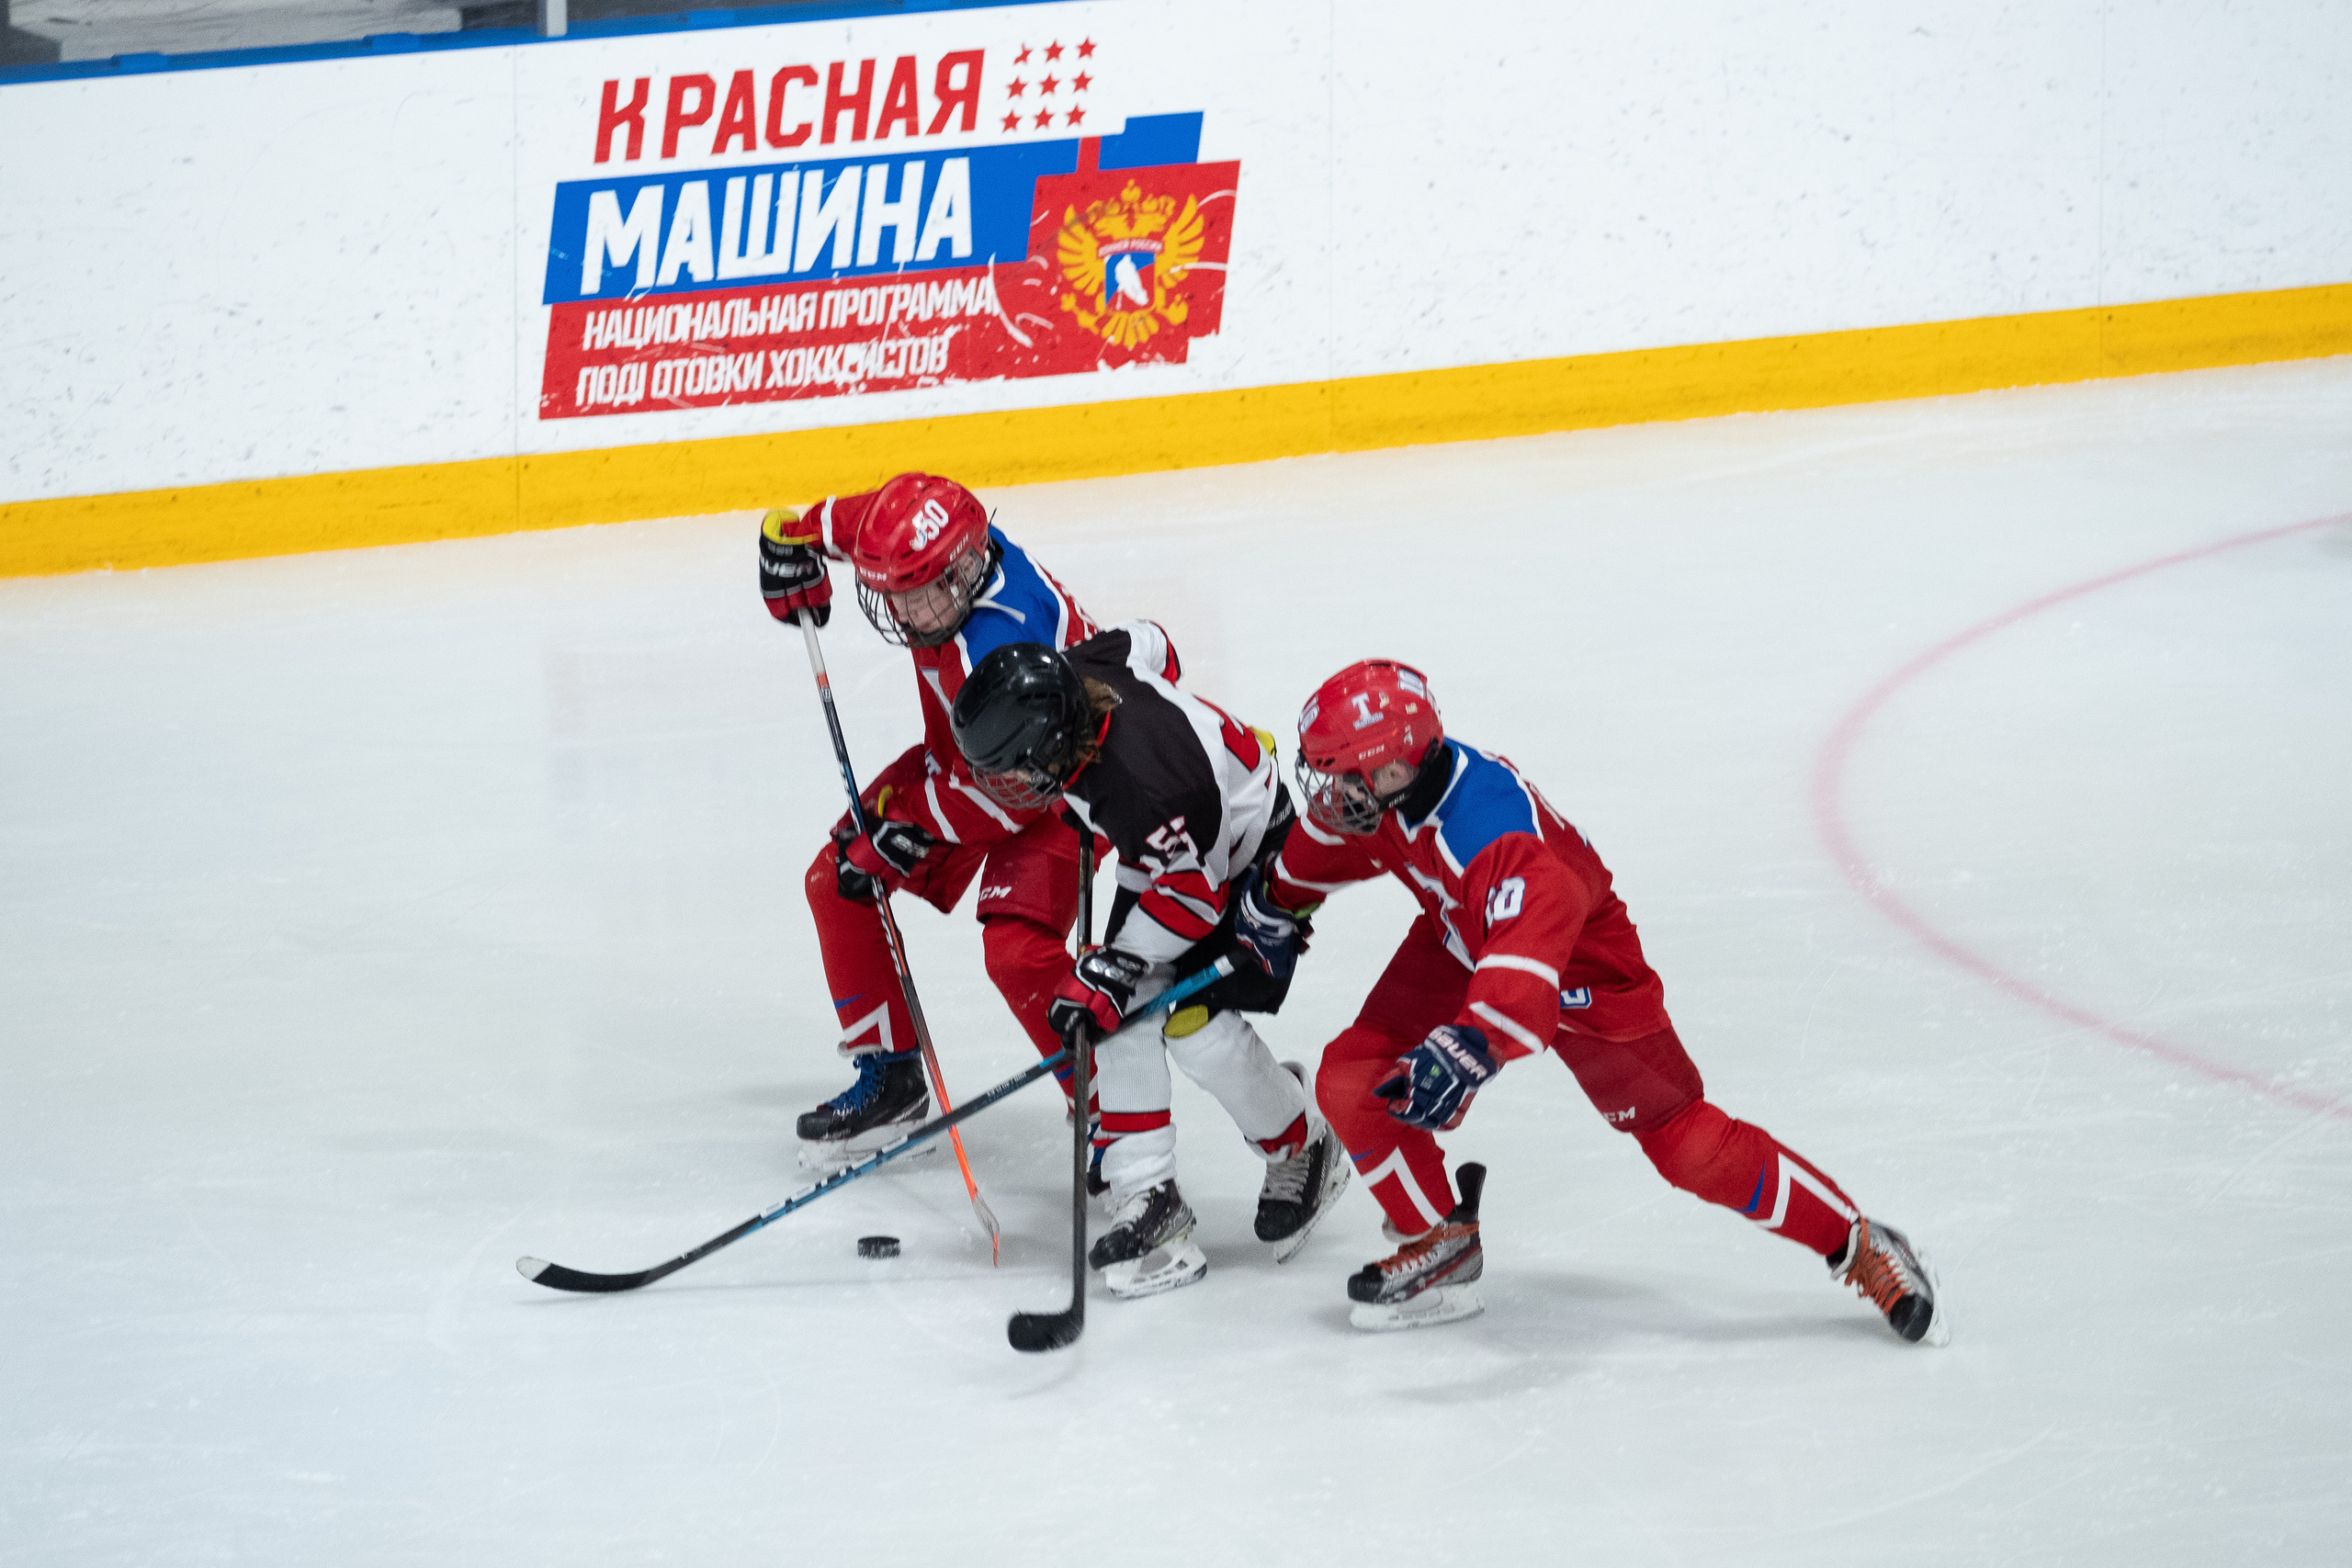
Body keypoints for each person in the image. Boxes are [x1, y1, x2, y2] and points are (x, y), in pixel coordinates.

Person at [1236, 659, 1947, 1341]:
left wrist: (1471, 1044)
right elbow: (1335, 842)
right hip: (1465, 942)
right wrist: (1271, 905)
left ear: (1394, 765)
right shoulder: (1392, 795)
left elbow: (1527, 962)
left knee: (1684, 1141)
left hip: (1584, 970)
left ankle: (1857, 1242)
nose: (1330, 794)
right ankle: (1438, 1241)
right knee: (1352, 1074)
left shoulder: (1493, 834)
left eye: (1344, 778)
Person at [946, 626, 1352, 1297]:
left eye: (1016, 765)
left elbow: (1194, 898)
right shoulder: (1080, 670)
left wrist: (1120, 963)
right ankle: (1149, 1197)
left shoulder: (1147, 786)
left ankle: (1302, 1143)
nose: (1012, 782)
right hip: (1172, 855)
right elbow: (1154, 643)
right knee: (1116, 1012)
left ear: (1052, 743)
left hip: (1247, 864)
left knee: (1190, 1024)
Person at [758, 473, 1101, 1169]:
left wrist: (910, 821)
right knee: (839, 877)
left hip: (1068, 782)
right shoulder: (931, 545)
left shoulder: (997, 646)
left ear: (970, 567)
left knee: (1017, 948)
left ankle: (1109, 1110)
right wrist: (785, 542)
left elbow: (1016, 797)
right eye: (894, 595)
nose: (909, 613)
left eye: (923, 593)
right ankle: (893, 1076)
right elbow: (832, 522)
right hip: (971, 760)